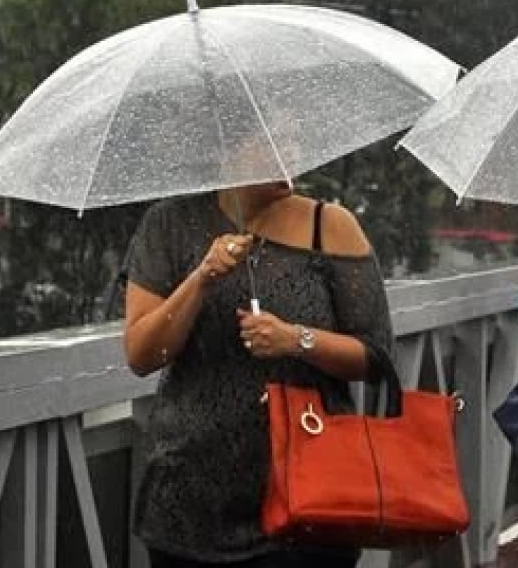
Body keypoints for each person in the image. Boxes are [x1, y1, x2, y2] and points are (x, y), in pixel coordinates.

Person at [123, 182, 394, 567]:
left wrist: (296, 340)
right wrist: (201, 278)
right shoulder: (169, 224)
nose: (287, 156)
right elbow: (142, 355)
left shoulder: (330, 226)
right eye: (270, 148)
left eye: (291, 147)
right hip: (189, 503)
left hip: (307, 500)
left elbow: (376, 356)